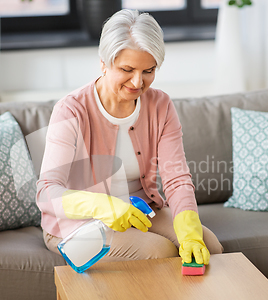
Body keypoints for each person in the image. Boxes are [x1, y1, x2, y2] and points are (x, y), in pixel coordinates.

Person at [36, 9, 223, 266]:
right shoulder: (71, 110)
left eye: (149, 70)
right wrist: (103, 206)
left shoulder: (160, 105)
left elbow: (177, 178)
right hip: (79, 223)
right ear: (103, 63)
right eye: (127, 69)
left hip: (141, 209)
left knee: (208, 247)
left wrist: (190, 233)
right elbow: (47, 193)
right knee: (159, 252)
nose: (138, 82)